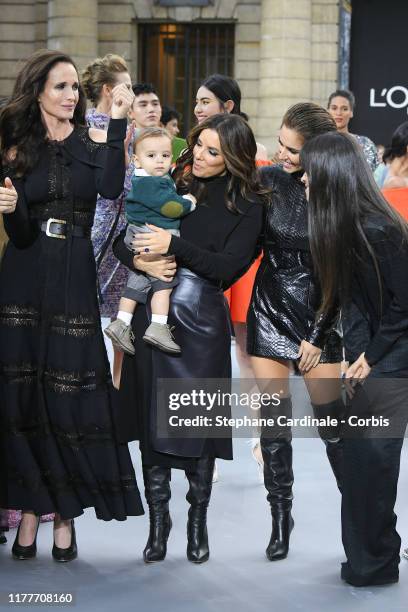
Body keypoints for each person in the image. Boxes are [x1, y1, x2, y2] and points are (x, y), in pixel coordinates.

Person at [0, 49, 144, 562]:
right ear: (38, 91)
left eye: (74, 89)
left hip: (74, 276)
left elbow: (108, 189)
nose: (69, 96)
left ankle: (63, 516)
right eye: (59, 87)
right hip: (24, 275)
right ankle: (32, 513)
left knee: (68, 397)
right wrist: (12, 210)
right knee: (24, 401)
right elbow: (17, 235)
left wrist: (121, 120)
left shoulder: (92, 139)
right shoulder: (17, 147)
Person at [112, 113, 266, 564]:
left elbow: (227, 269)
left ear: (234, 158)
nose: (198, 155)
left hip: (200, 321)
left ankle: (197, 524)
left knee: (198, 427)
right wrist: (141, 263)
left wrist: (173, 246)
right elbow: (126, 238)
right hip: (151, 316)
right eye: (199, 144)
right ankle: (158, 527)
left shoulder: (249, 204)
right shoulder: (169, 178)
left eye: (212, 151)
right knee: (151, 425)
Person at [300, 130, 408, 587]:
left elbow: (403, 304)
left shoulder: (378, 229)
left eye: (308, 172)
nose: (303, 180)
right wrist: (337, 346)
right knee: (365, 465)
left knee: (372, 465)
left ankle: (376, 563)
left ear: (330, 176)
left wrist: (371, 355)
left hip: (392, 358)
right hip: (371, 356)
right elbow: (349, 297)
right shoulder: (344, 224)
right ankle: (374, 555)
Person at [247, 102, 343, 561]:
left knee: (335, 426)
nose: (283, 155)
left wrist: (319, 334)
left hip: (320, 313)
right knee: (273, 424)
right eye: (280, 144)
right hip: (269, 307)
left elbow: (339, 272)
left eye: (293, 149)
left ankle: (364, 516)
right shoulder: (267, 182)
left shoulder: (337, 191)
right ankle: (280, 519)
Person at [194, 73, 270, 477]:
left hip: (241, 267)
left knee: (245, 353)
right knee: (207, 356)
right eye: (196, 101)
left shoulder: (251, 157)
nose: (198, 108)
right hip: (198, 269)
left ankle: (259, 435)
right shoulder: (189, 161)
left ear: (228, 107)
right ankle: (206, 444)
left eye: (206, 101)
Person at [104, 127, 196, 355]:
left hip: (137, 235)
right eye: (151, 156)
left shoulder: (143, 178)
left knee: (137, 280)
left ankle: (121, 323)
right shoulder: (154, 183)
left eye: (165, 156)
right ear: (136, 159)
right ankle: (158, 325)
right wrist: (189, 202)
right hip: (154, 235)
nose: (159, 161)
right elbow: (170, 207)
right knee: (163, 283)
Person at [82, 54, 133, 387]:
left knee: (122, 319)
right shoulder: (85, 126)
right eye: (126, 87)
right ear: (108, 90)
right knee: (86, 314)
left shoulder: (130, 127)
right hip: (95, 230)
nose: (132, 93)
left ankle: (119, 390)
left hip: (126, 233)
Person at [327, 89, 378, 171]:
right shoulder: (317, 143)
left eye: (344, 109)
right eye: (334, 108)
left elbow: (373, 175)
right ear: (328, 111)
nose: (339, 113)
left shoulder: (365, 144)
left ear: (351, 112)